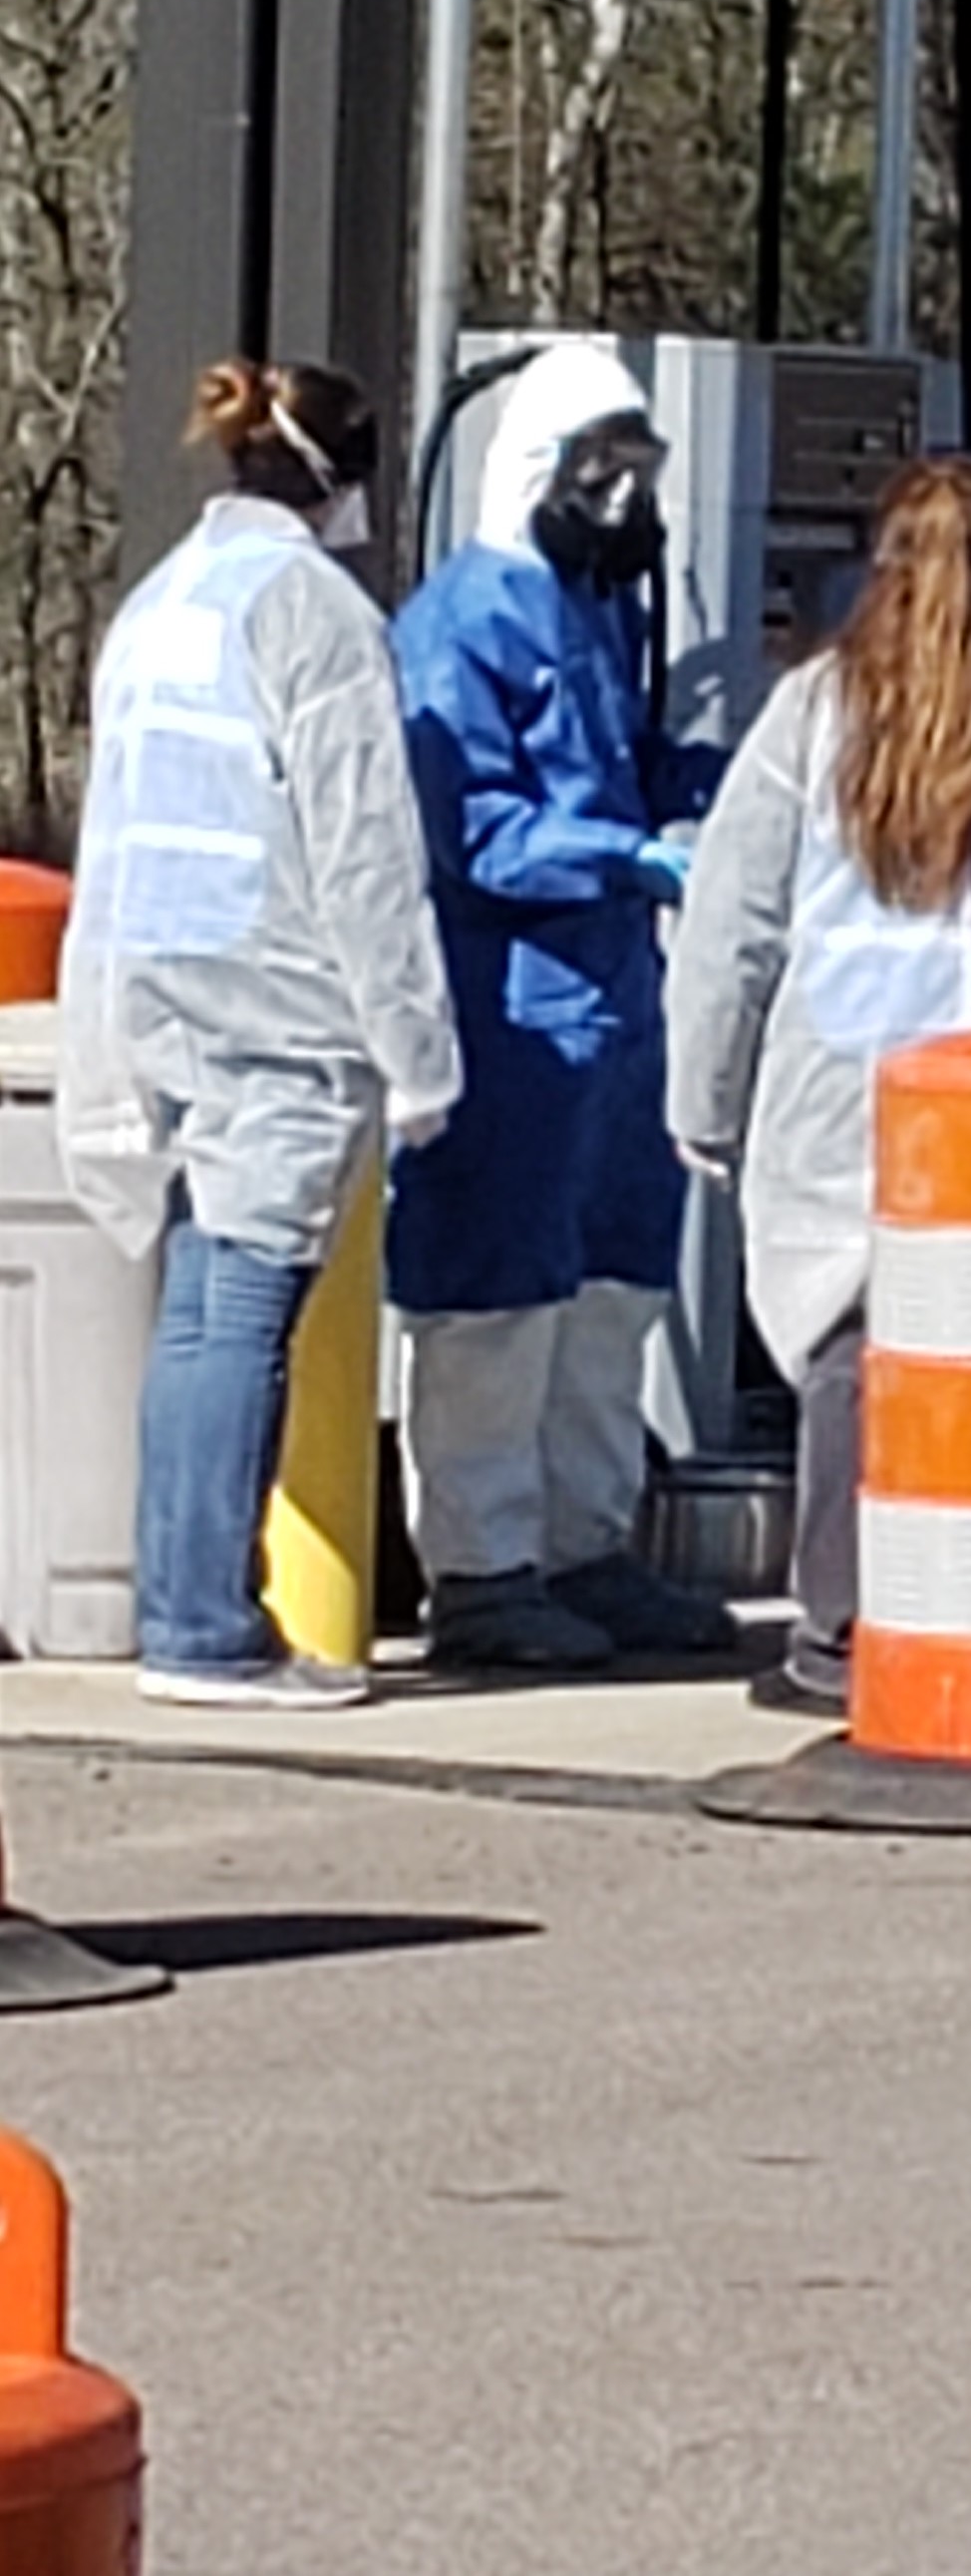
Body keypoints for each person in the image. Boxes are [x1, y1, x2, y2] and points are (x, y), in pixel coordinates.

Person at [664, 457, 971, 1716]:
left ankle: (837, 1631)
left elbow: (733, 921)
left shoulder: (812, 712)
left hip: (852, 1081)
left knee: (851, 1348)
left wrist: (702, 1101)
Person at [56, 360, 460, 1709]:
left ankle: (187, 1602)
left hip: (162, 977)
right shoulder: (316, 614)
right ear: (345, 477)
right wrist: (416, 1054)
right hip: (281, 994)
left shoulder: (167, 601)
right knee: (243, 1304)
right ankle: (203, 1623)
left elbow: (112, 822)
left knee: (197, 1305)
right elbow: (362, 848)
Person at [388, 343, 736, 1668]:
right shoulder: (462, 620)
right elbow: (471, 824)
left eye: (636, 470)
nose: (620, 498)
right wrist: (625, 852)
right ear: (537, 468)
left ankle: (587, 1543)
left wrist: (711, 790)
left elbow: (623, 763)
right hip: (508, 1003)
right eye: (598, 468)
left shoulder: (597, 610)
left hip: (612, 996)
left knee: (612, 1278)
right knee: (495, 1290)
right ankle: (481, 1568)